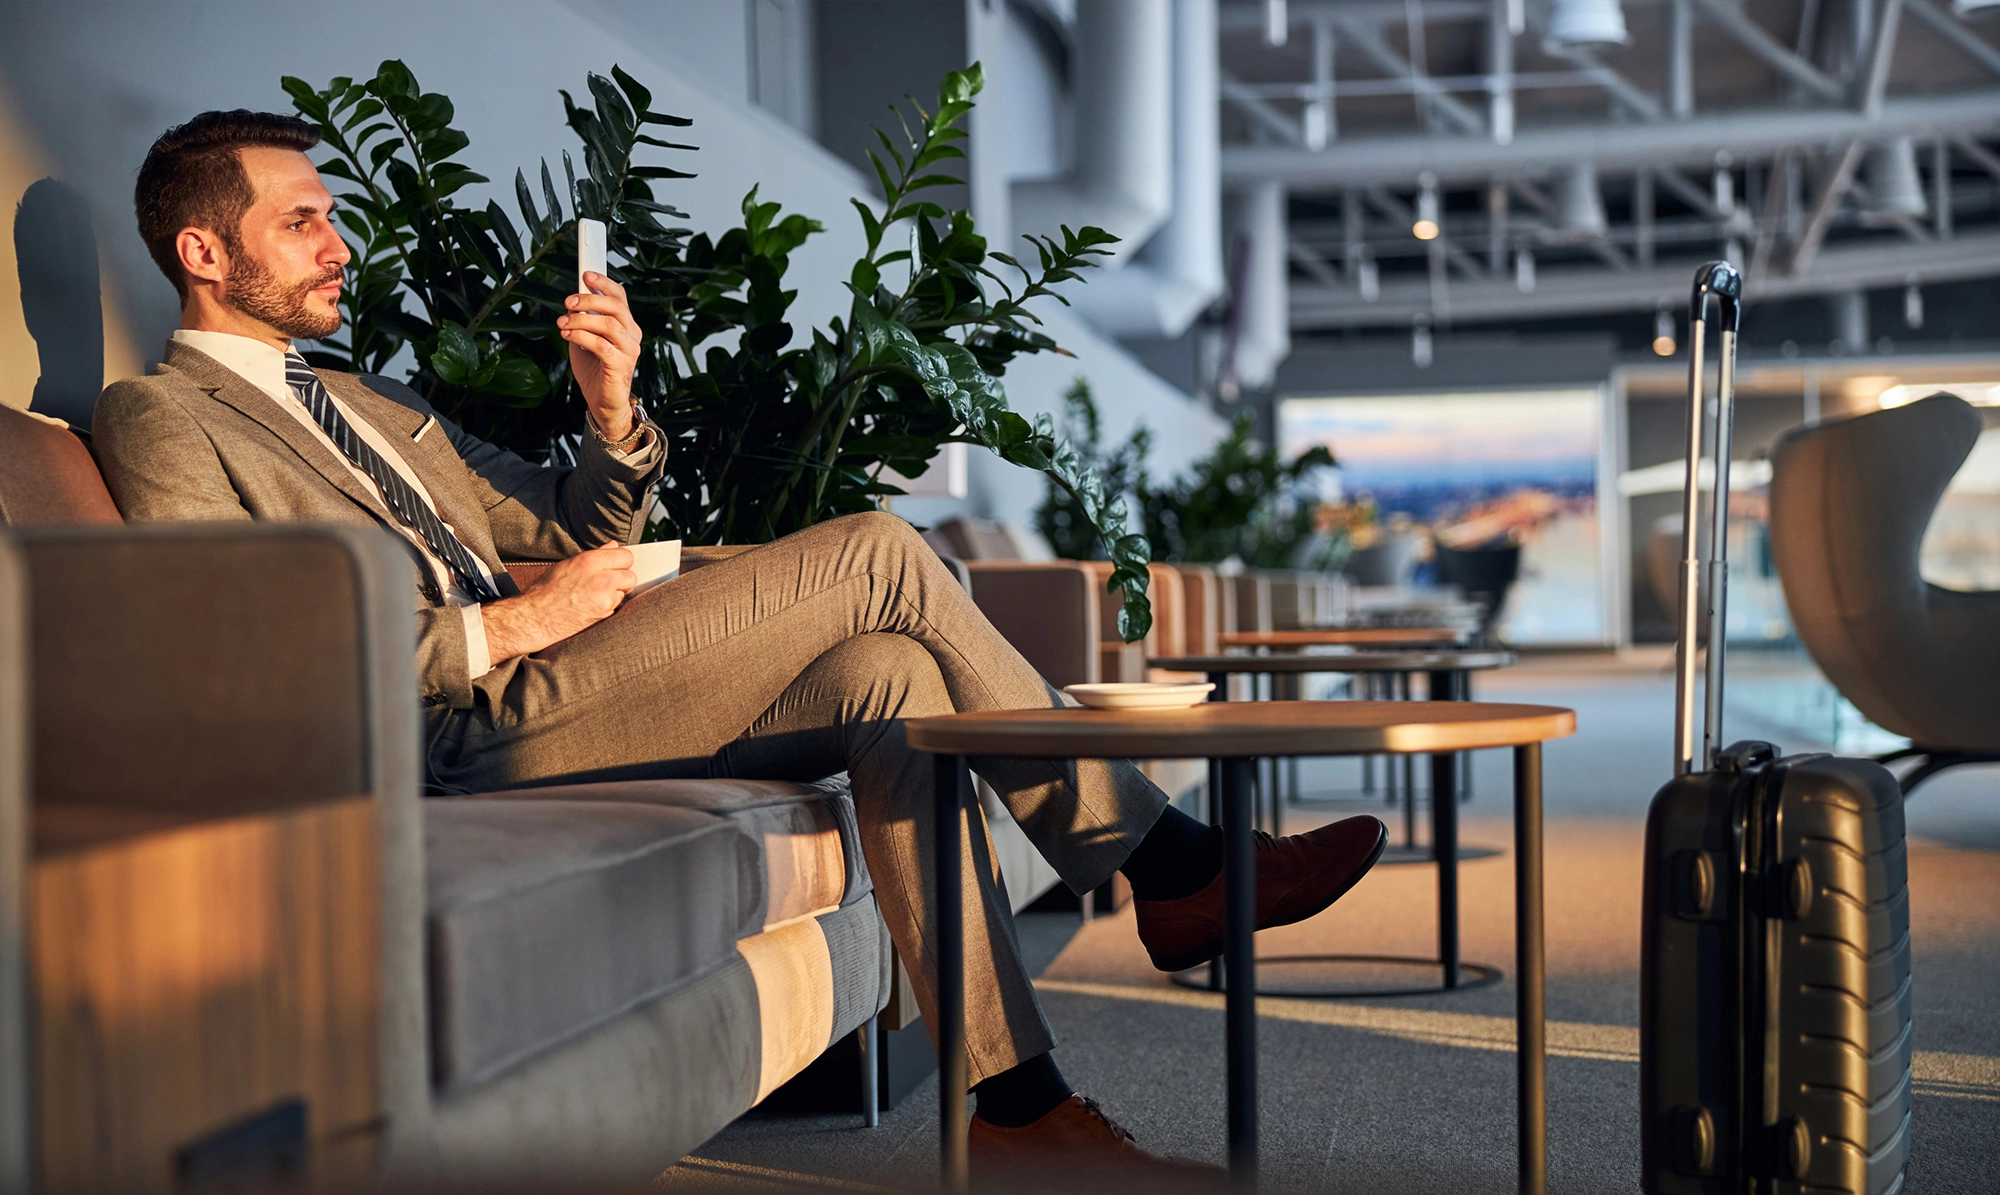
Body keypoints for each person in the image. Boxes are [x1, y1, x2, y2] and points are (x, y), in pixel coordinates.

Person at [94, 110, 1387, 1178]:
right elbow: (239, 635)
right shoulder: (159, 416)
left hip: (556, 676)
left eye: (332, 211)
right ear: (204, 251)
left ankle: (1021, 1110)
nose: (338, 241)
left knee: (892, 682)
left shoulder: (370, 403)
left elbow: (562, 513)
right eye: (301, 219)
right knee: (880, 547)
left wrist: (611, 410)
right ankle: (1165, 859)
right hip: (456, 721)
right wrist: (509, 622)